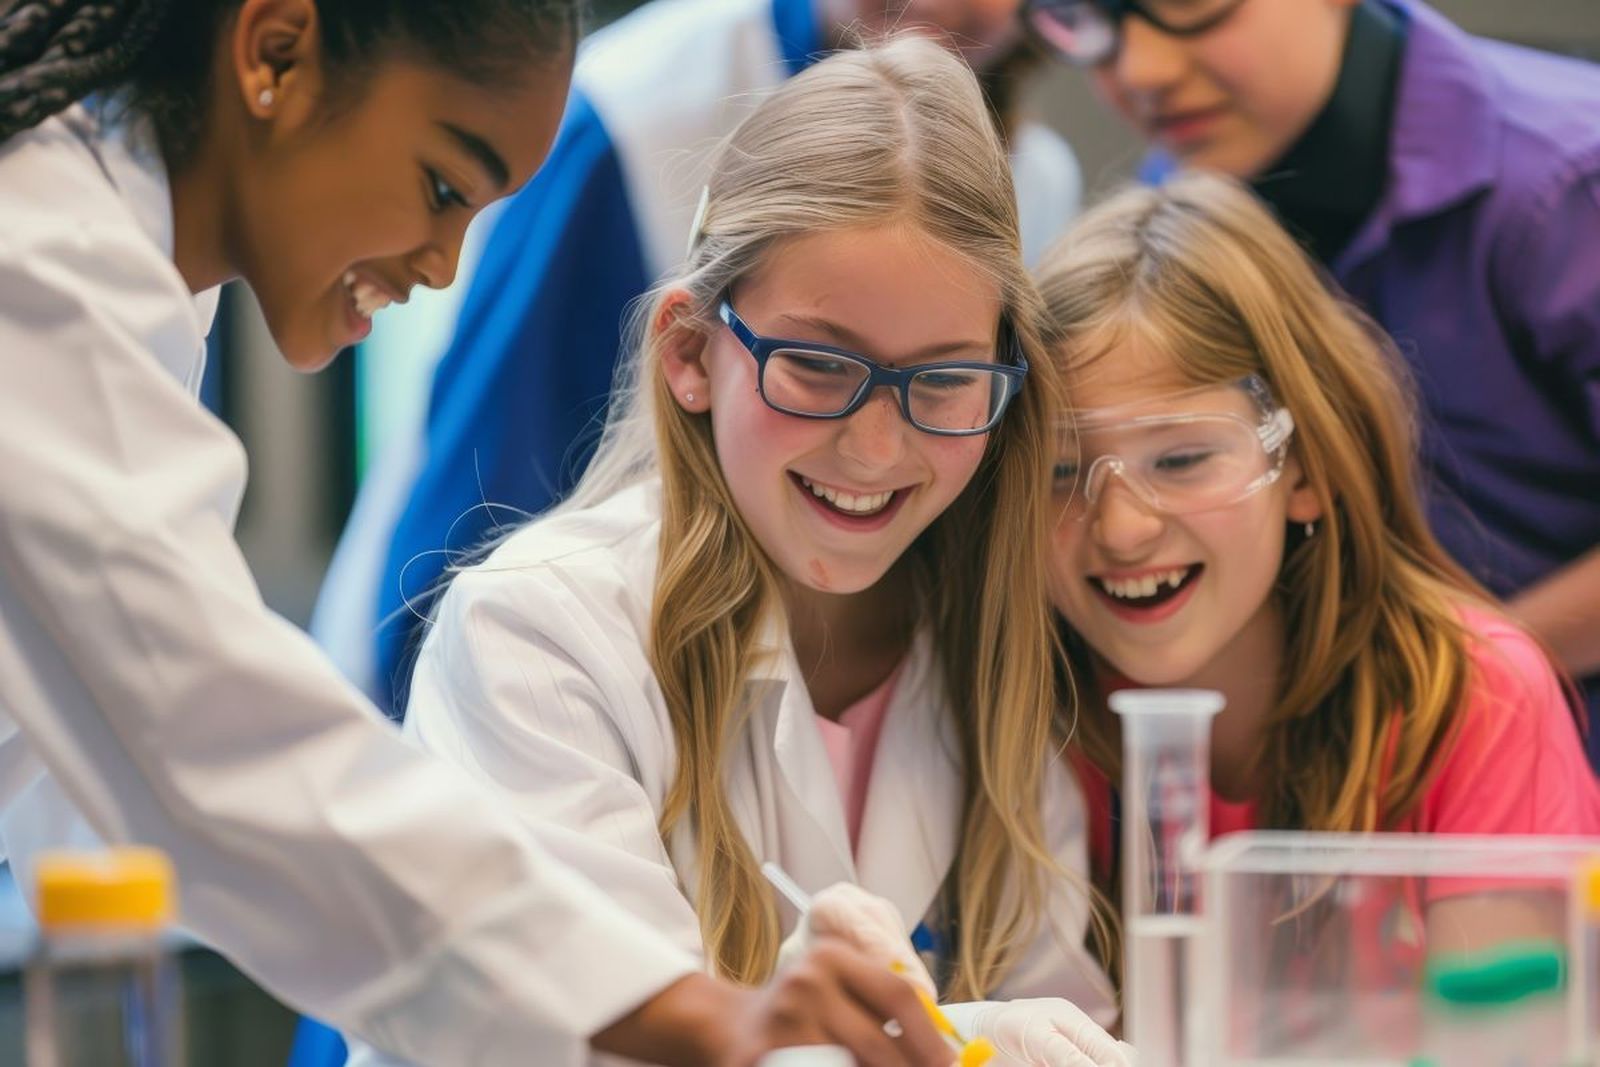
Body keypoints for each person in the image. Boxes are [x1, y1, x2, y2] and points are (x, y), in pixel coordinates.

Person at [0, 2, 957, 1064]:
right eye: (443, 186)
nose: (443, 266)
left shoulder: (120, 260)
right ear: (274, 52)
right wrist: (699, 1010)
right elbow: (204, 720)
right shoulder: (41, 263)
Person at [350, 35, 1133, 1067]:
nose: (875, 444)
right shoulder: (539, 638)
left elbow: (1058, 1015)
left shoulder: (994, 658)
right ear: (689, 354)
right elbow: (607, 1039)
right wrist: (948, 1036)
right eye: (816, 364)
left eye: (943, 381)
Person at [310, 0, 1088, 716]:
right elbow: (473, 509)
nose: (965, 7)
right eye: (819, 363)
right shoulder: (632, 116)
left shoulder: (1039, 177)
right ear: (686, 347)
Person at [1019, 0, 1600, 762]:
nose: (1141, 71)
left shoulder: (1566, 182)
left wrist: (1445, 681)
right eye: (1090, 20)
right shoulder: (1193, 177)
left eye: (1189, 6)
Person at [1037, 174, 1600, 956]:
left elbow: (1506, 1039)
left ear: (1307, 472)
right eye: (1061, 473)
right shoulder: (1027, 714)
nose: (1123, 528)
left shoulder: (1473, 697)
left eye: (1183, 457)